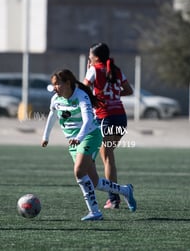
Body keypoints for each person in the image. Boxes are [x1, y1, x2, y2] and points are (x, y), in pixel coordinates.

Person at [41, 69, 136, 221]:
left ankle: (95, 212)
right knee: (94, 181)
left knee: (79, 171)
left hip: (90, 136)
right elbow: (52, 115)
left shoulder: (81, 96)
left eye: (57, 84)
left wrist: (79, 137)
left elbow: (87, 121)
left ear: (68, 83)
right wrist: (45, 136)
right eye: (53, 85)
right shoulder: (56, 99)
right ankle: (125, 190)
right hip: (74, 141)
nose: (55, 88)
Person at [83, 42, 133, 209]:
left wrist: (99, 95)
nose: (89, 57)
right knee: (107, 157)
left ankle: (114, 199)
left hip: (107, 118)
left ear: (95, 57)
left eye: (90, 55)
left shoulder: (94, 69)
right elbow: (129, 90)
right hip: (120, 117)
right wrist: (113, 94)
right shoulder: (117, 70)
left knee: (106, 157)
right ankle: (114, 197)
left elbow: (83, 90)